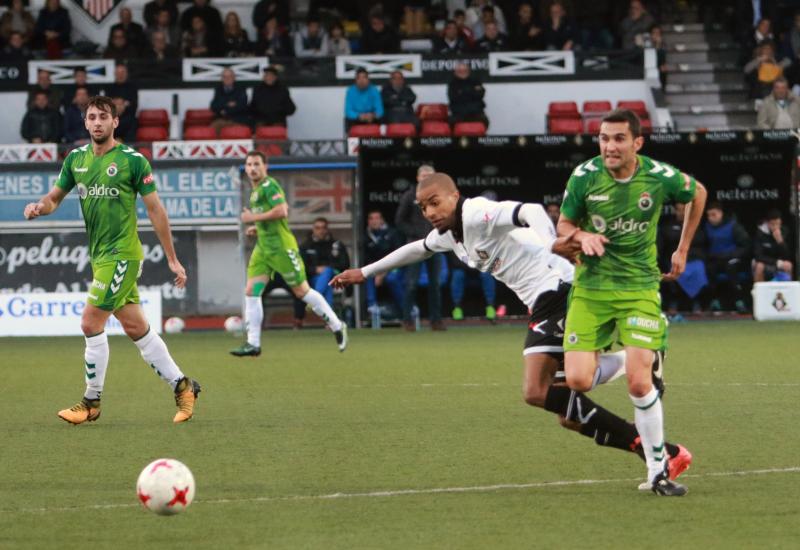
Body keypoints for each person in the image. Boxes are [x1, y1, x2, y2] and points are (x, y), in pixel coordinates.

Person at [331, 172, 692, 485]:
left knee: (536, 390)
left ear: (454, 196)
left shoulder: (475, 213)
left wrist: (553, 243)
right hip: (542, 300)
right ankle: (658, 442)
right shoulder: (450, 235)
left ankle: (645, 420)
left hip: (558, 288)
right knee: (569, 412)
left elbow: (530, 210)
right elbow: (415, 249)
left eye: (435, 202)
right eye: (423, 207)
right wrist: (364, 273)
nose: (429, 212)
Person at [23, 95, 200, 425]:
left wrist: (173, 259)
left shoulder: (133, 161)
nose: (97, 122)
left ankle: (91, 401)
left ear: (115, 122)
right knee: (136, 327)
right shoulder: (76, 159)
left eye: (104, 116)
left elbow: (156, 211)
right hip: (100, 257)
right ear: (85, 122)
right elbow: (54, 198)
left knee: (91, 322)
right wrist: (39, 207)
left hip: (123, 256)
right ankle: (184, 385)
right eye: (92, 117)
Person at [556, 108, 707, 496]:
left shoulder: (657, 176)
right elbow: (564, 226)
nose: (610, 146)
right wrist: (580, 235)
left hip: (639, 286)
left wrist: (682, 248)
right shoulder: (584, 177)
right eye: (604, 138)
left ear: (637, 143)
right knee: (576, 380)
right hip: (591, 288)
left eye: (619, 138)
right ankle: (634, 356)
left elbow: (698, 192)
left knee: (641, 385)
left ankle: (659, 471)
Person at [230, 151, 348, 357]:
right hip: (263, 249)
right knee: (251, 291)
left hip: (282, 249)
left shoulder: (270, 186)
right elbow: (274, 218)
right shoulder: (256, 190)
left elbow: (282, 211)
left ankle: (337, 325)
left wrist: (252, 217)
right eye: (248, 165)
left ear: (265, 166)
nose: (252, 168)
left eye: (256, 164)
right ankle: (253, 344)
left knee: (302, 291)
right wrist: (257, 227)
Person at [395, 165, 444, 331]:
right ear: (418, 178)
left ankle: (436, 321)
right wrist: (416, 233)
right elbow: (400, 221)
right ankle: (407, 321)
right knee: (411, 284)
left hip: (435, 245)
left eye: (429, 176)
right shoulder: (410, 196)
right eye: (423, 176)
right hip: (415, 245)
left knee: (435, 284)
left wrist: (439, 233)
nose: (426, 178)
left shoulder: (440, 196)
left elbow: (447, 217)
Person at [294, 217, 350, 327]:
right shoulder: (306, 246)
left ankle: (314, 299)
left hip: (335, 276)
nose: (321, 230)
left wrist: (327, 269)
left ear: (327, 229)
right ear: (313, 229)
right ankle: (329, 322)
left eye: (323, 228)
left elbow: (345, 264)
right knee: (327, 285)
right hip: (313, 278)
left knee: (328, 272)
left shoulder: (336, 244)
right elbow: (300, 267)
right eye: (318, 228)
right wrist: (315, 269)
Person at [658, 202, 707, 321]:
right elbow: (663, 245)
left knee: (699, 269)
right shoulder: (668, 226)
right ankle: (673, 303)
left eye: (685, 209)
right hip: (673, 259)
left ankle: (696, 303)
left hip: (693, 259)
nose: (682, 212)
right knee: (675, 270)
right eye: (679, 210)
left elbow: (701, 242)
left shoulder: (695, 225)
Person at [704, 202, 751, 312]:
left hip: (732, 259)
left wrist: (731, 255)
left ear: (720, 213)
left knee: (731, 267)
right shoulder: (706, 227)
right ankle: (715, 301)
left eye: (713, 215)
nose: (711, 218)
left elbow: (746, 245)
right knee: (708, 269)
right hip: (716, 260)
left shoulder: (733, 226)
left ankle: (740, 301)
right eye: (709, 215)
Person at [364, 209, 404, 315]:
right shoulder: (365, 236)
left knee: (392, 279)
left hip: (394, 267)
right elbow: (367, 259)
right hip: (376, 269)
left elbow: (399, 255)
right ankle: (372, 307)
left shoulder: (392, 233)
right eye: (371, 218)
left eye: (377, 218)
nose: (374, 221)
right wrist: (377, 272)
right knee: (366, 275)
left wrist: (383, 274)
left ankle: (405, 307)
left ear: (382, 220)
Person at [753, 209, 793, 282]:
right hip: (766, 263)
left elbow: (787, 256)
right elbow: (758, 256)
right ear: (767, 223)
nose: (775, 227)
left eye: (778, 224)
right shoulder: (760, 233)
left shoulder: (785, 231)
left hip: (780, 263)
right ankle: (760, 292)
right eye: (773, 224)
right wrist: (776, 262)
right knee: (759, 266)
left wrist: (780, 241)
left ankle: (786, 292)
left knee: (788, 265)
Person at [448, 62, 488, 127]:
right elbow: (453, 98)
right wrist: (472, 91)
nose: (462, 72)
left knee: (484, 121)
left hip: (476, 113)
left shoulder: (475, 81)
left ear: (468, 71)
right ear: (455, 72)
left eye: (464, 70)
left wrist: (462, 92)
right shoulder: (452, 84)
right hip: (458, 114)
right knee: (450, 123)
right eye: (459, 71)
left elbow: (480, 94)